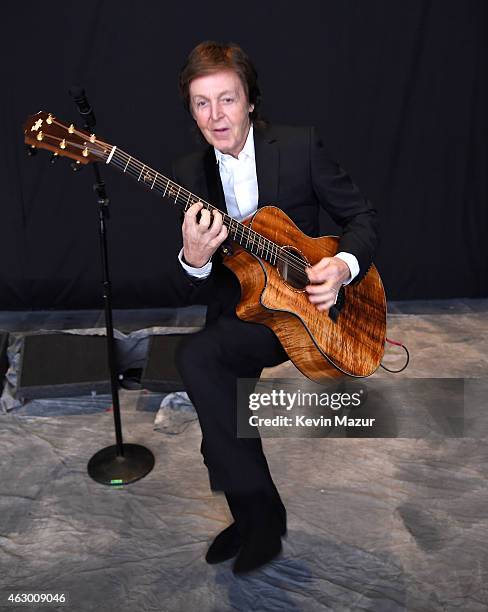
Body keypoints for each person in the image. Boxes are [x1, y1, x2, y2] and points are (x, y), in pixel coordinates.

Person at [170, 41, 377, 574]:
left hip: (307, 305)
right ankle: (257, 518)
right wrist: (193, 258)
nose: (216, 117)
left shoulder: (301, 146)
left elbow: (362, 217)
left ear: (251, 102)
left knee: (199, 364)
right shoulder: (189, 174)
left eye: (227, 100)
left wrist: (344, 266)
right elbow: (192, 285)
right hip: (239, 307)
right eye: (201, 103)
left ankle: (257, 521)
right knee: (218, 420)